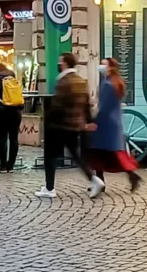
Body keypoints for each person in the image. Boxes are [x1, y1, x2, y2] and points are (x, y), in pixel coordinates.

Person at [36, 52, 103, 199]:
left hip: (59, 126)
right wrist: (88, 121)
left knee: (50, 157)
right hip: (75, 125)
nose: (59, 65)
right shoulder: (81, 81)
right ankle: (94, 179)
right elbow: (86, 104)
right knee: (76, 155)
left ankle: (49, 188)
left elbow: (57, 106)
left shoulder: (63, 81)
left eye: (60, 62)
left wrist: (48, 122)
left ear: (65, 63)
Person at [86, 58, 141, 192]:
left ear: (110, 68)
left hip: (105, 123)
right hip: (113, 122)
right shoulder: (116, 83)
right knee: (109, 154)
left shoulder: (107, 84)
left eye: (104, 64)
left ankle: (102, 181)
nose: (101, 66)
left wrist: (94, 120)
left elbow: (103, 107)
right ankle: (129, 176)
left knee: (98, 153)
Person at [0, 62, 23, 172]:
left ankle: (2, 165)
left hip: (1, 112)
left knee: (2, 137)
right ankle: (10, 165)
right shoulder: (12, 77)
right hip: (16, 110)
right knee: (14, 138)